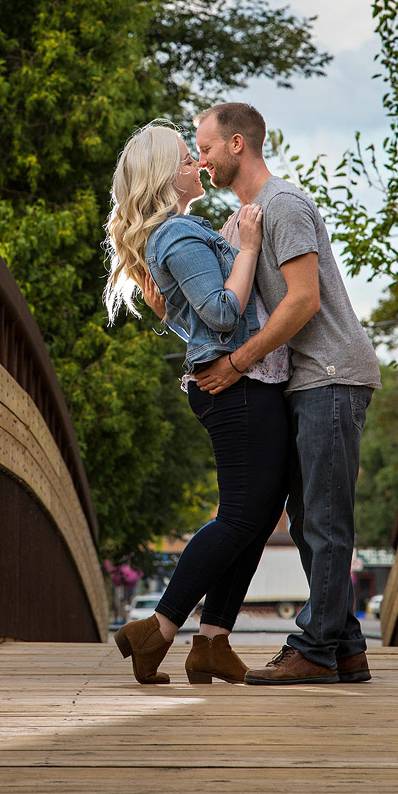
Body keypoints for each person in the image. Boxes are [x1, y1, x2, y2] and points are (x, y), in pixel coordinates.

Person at [192, 101, 381, 685]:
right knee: (305, 521)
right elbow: (212, 300)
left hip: (331, 373)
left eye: (206, 149)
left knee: (323, 520)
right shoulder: (239, 222)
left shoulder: (285, 205)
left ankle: (315, 648)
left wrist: (238, 363)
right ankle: (346, 648)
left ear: (238, 145)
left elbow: (304, 299)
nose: (201, 162)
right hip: (303, 383)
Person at [104, 122, 291, 686]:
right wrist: (251, 247)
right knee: (242, 516)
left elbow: (191, 318)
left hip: (232, 385)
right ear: (166, 175)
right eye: (189, 159)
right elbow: (221, 313)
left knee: (255, 516)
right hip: (236, 387)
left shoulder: (174, 235)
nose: (199, 166)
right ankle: (158, 629)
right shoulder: (180, 235)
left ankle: (211, 641)